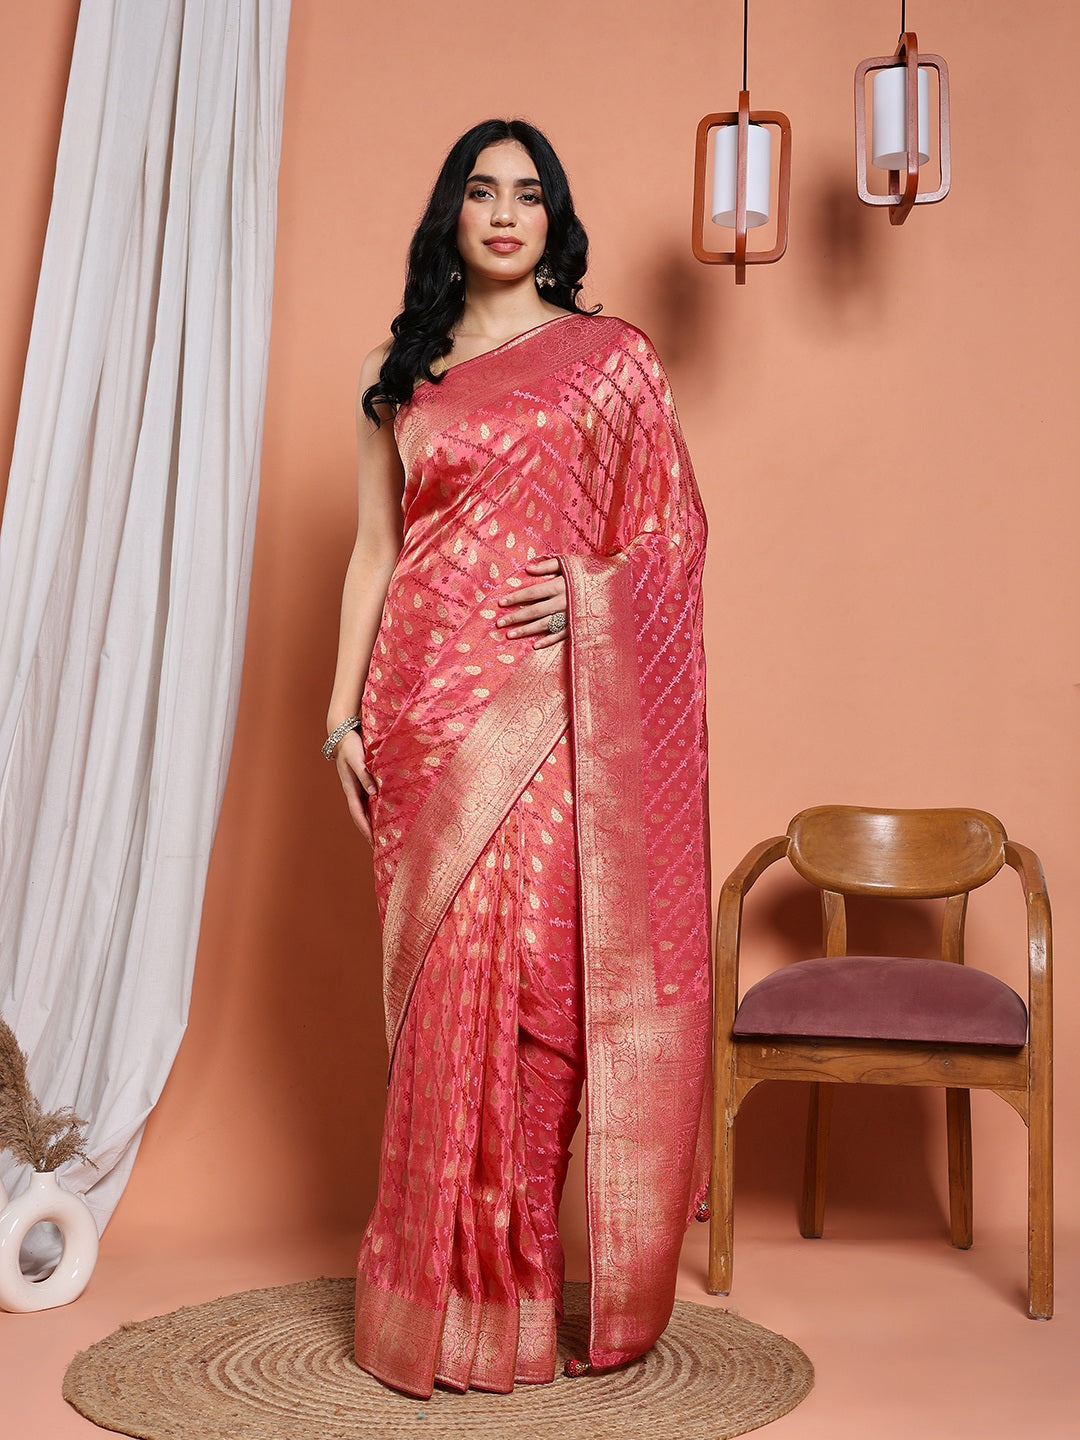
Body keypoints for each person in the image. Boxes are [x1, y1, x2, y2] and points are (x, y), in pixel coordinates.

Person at [324, 118, 711, 1400]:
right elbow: (374, 551)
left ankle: (516, 1296)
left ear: (554, 219)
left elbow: (673, 535)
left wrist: (594, 592)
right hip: (419, 712)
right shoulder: (400, 371)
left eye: (528, 194)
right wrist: (339, 716)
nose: (504, 212)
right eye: (482, 191)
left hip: (551, 709)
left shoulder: (611, 361)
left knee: (544, 988)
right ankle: (431, 1307)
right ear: (452, 211)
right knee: (446, 997)